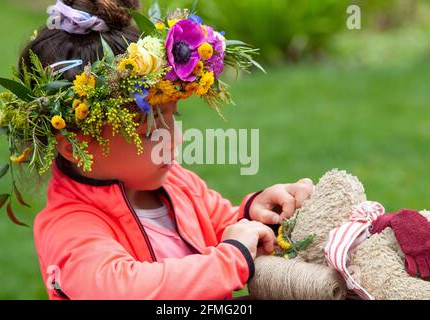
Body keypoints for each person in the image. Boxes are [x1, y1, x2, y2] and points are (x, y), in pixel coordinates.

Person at [16, 0, 313, 299]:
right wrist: (230, 259)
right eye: (149, 132)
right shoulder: (69, 227)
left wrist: (259, 213)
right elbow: (121, 290)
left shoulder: (179, 185)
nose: (175, 139)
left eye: (174, 117)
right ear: (76, 147)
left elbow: (225, 228)